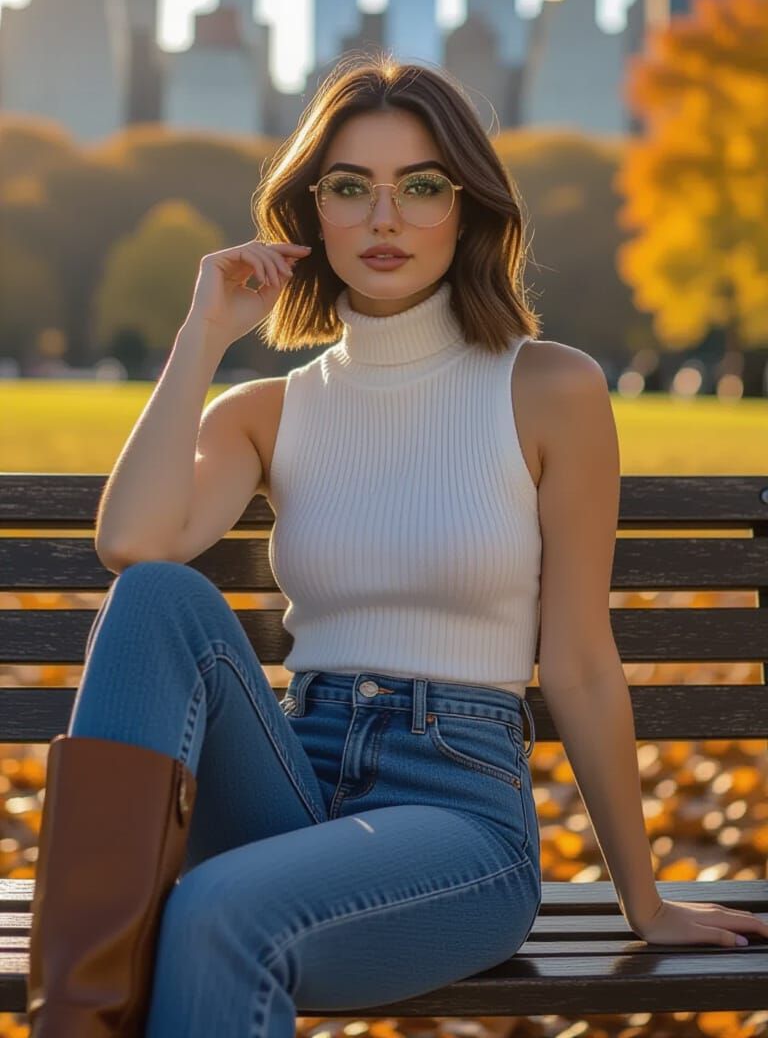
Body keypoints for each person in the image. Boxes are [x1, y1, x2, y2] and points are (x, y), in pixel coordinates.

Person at [27, 56, 768, 1036]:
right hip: (292, 779)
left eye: (420, 187)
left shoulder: (550, 389)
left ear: (466, 210)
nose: (385, 218)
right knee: (159, 597)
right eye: (351, 188)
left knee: (216, 910)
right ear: (312, 213)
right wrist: (202, 337)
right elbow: (133, 542)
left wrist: (645, 899)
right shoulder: (264, 411)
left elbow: (581, 663)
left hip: (458, 818)